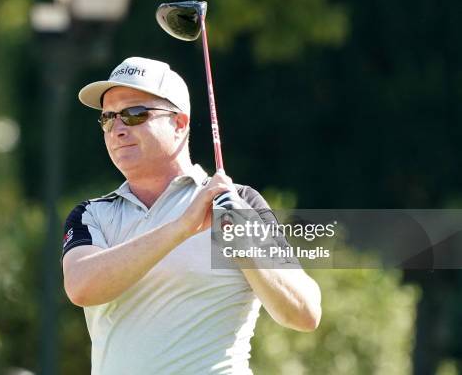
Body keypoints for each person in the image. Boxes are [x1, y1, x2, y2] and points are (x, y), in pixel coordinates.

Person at [62, 57, 322, 375]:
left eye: (133, 114)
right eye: (108, 117)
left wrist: (246, 244)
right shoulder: (92, 215)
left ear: (180, 124)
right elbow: (82, 286)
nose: (116, 129)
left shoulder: (240, 202)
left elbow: (305, 314)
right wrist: (182, 227)